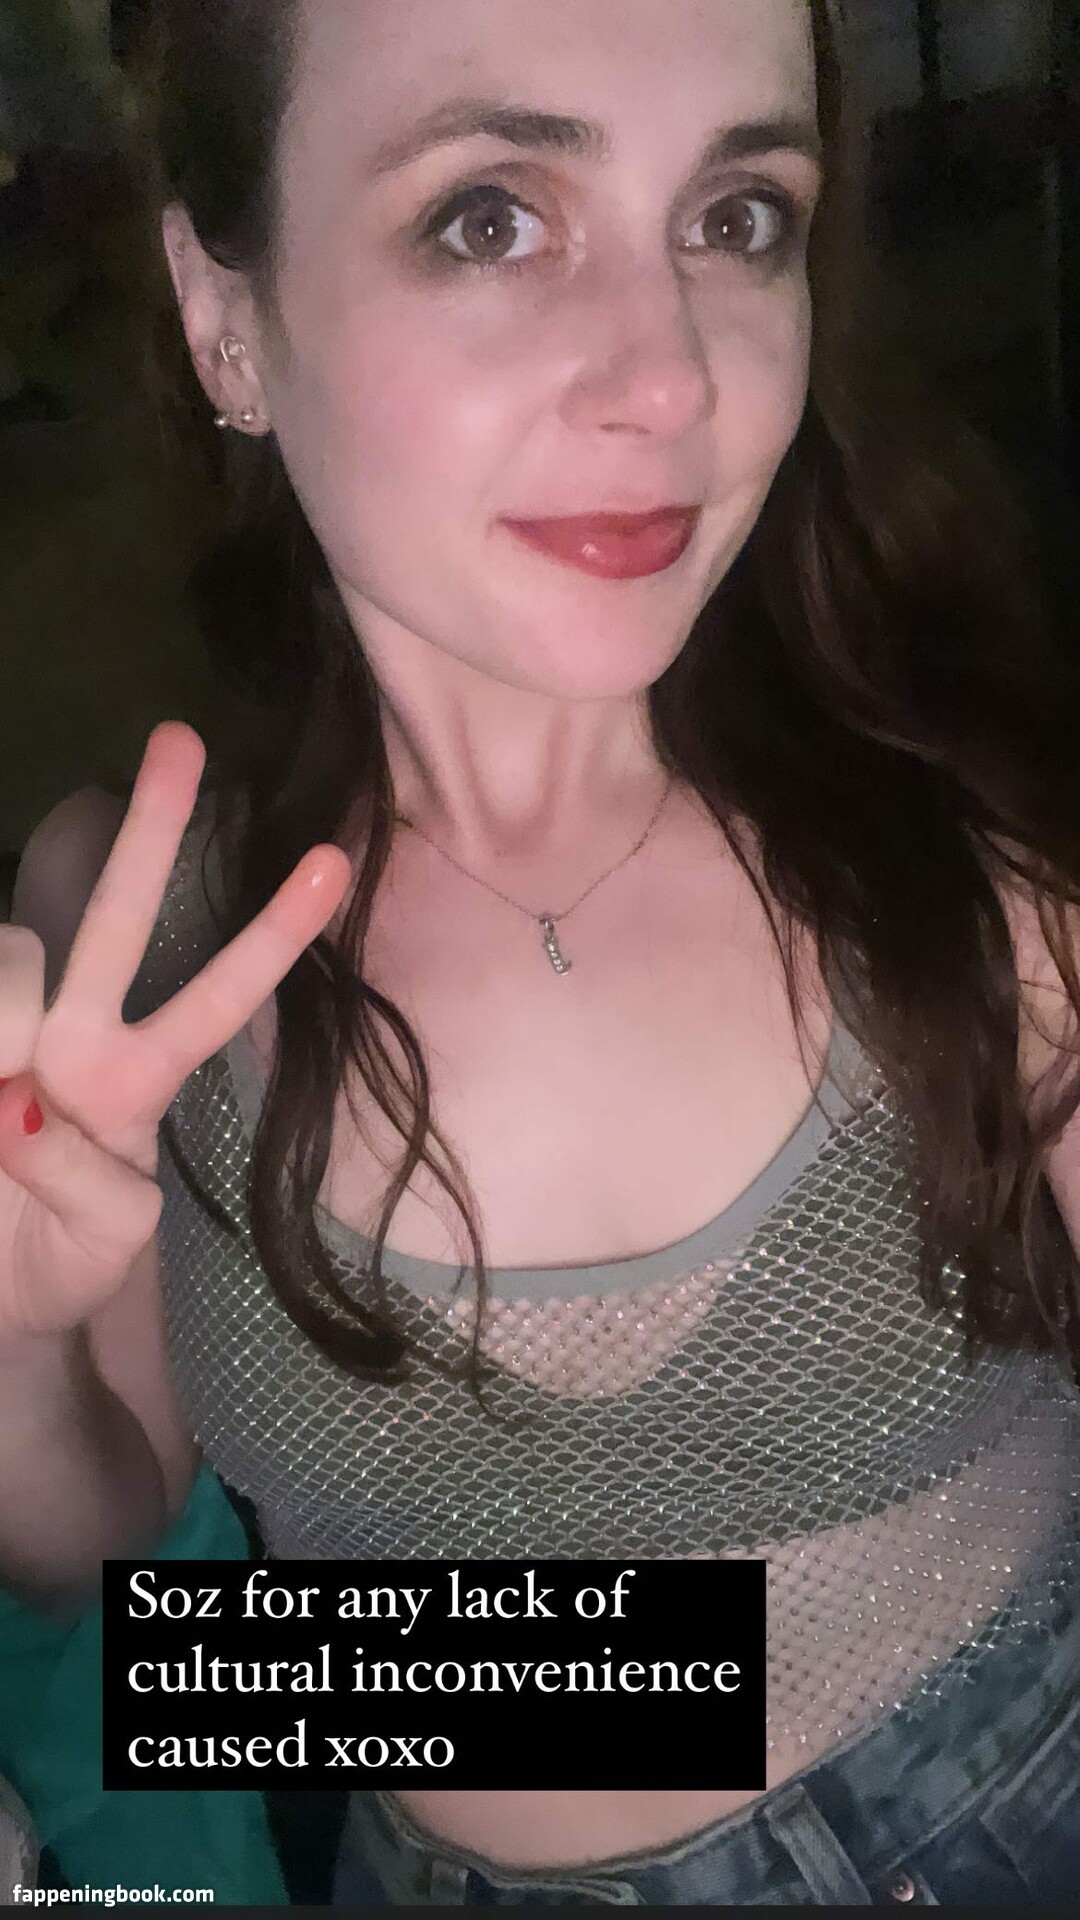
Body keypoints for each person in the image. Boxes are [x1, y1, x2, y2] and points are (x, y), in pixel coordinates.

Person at [2, 0, 1080, 1904]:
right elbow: (99, 1574)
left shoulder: (976, 870)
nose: (670, 377)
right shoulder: (129, 942)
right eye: (490, 217)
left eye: (737, 219)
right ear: (223, 311)